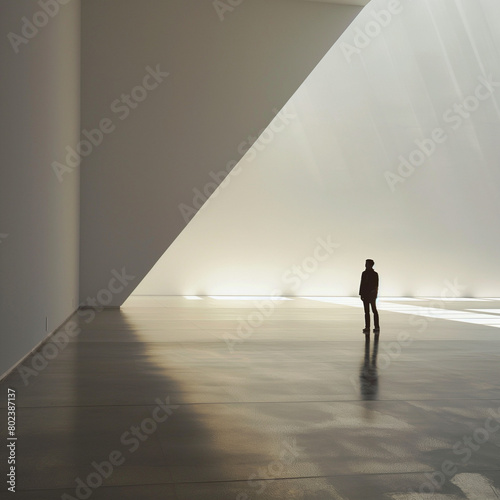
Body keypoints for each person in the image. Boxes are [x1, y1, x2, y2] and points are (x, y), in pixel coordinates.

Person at [359, 259, 379, 335]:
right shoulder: (364, 273)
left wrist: (374, 294)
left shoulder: (374, 274)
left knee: (373, 310)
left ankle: (376, 326)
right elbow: (362, 284)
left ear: (370, 265)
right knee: (367, 311)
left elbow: (376, 286)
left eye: (367, 264)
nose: (365, 265)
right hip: (366, 295)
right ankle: (367, 327)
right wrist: (361, 294)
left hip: (371, 295)